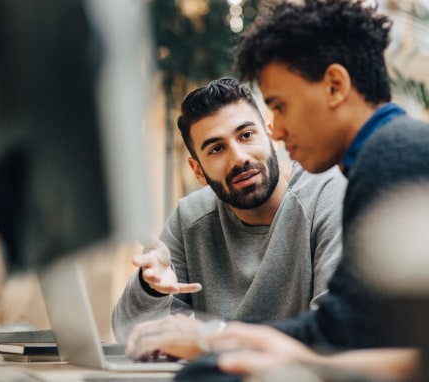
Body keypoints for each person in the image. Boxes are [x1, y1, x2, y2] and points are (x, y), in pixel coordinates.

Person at [125, 0, 429, 379]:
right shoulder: (390, 151)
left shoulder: (392, 156)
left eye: (280, 107)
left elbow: (343, 334)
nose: (278, 132)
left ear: (335, 86)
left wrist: (212, 336)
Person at [112, 77, 347, 343]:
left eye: (246, 135)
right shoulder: (190, 218)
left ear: (270, 135)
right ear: (197, 170)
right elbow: (127, 335)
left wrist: (210, 339)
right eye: (217, 149)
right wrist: (150, 289)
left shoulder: (327, 195)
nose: (239, 158)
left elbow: (335, 331)